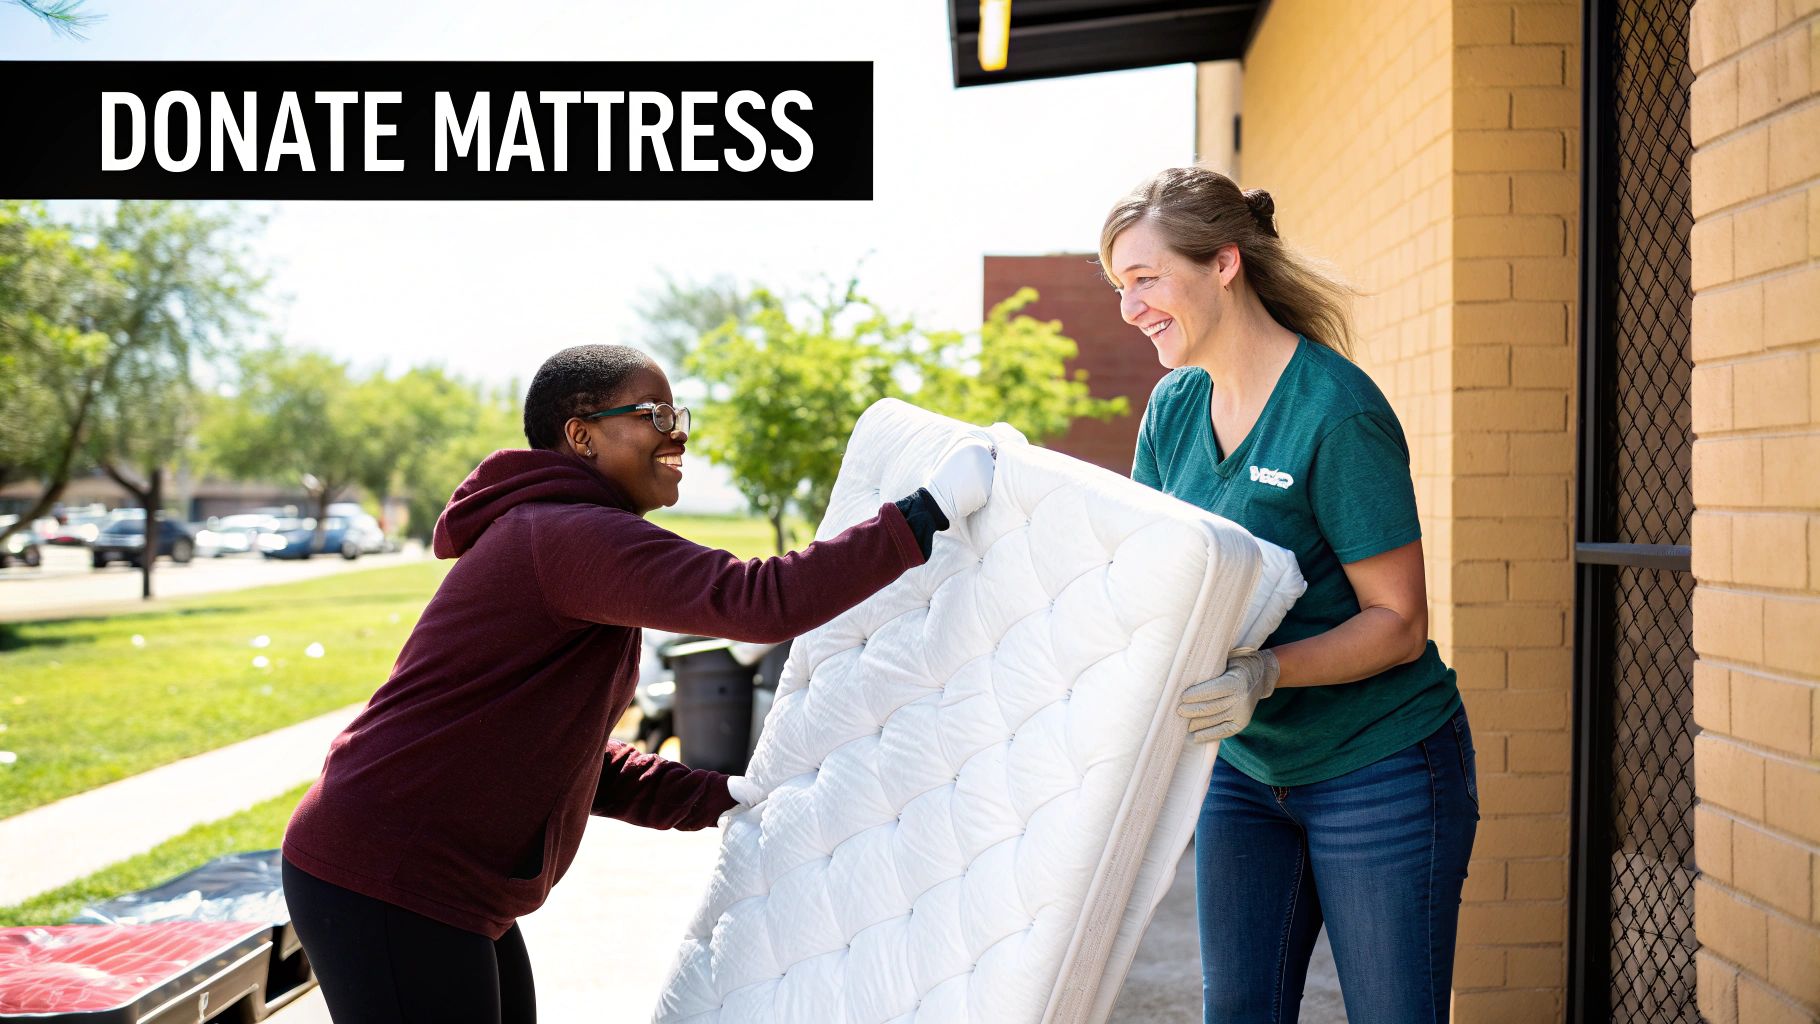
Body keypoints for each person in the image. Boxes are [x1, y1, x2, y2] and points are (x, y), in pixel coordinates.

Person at [281, 344, 996, 1023]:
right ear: (582, 437)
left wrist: (725, 797)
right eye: (655, 415)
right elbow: (759, 600)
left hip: (441, 881)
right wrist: (923, 513)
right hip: (388, 872)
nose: (677, 434)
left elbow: (570, 753)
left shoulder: (568, 534)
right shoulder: (564, 535)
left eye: (678, 415)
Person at [1102, 167, 1477, 1023]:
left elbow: (1400, 624)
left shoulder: (1335, 413)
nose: (1131, 308)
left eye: (1146, 279)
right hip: (1245, 766)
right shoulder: (1173, 407)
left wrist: (1262, 672)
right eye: (1121, 287)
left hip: (1379, 764)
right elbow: (1161, 577)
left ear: (1224, 264)